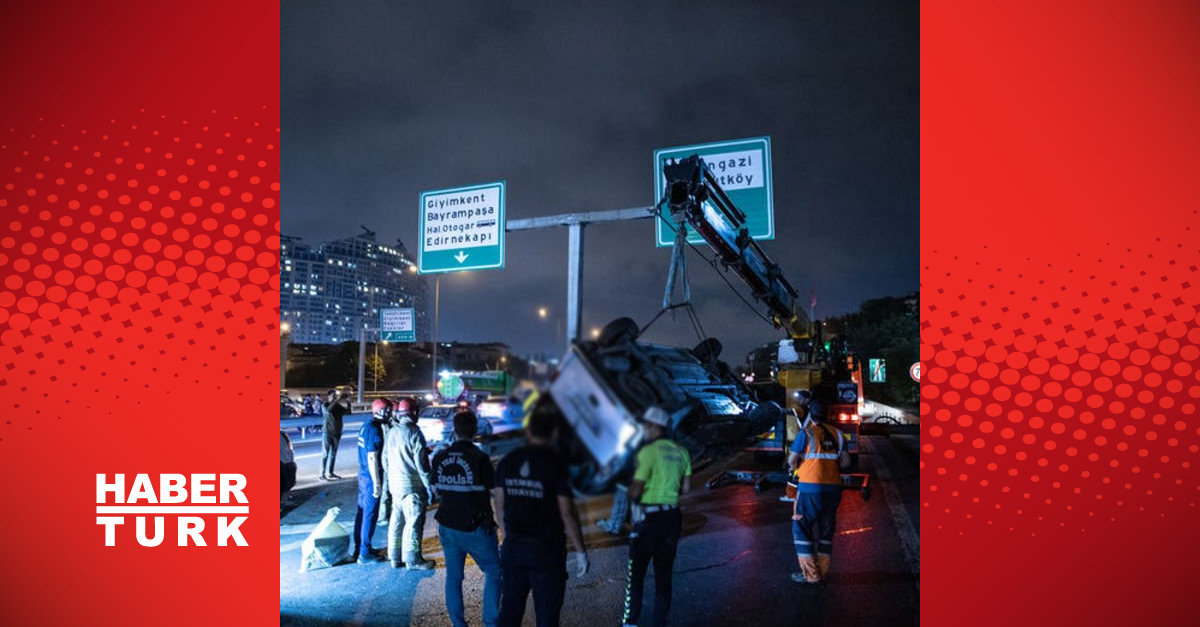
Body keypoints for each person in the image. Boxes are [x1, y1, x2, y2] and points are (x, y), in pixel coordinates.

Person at [495, 404, 589, 627]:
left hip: (515, 547)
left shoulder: (508, 461)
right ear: (553, 433)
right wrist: (581, 551)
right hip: (546, 550)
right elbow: (566, 512)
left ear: (528, 432)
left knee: (510, 610)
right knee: (547, 615)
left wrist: (509, 536)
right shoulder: (555, 463)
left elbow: (499, 506)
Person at [622, 407, 691, 627]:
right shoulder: (682, 452)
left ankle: (630, 622)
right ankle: (659, 622)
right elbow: (686, 489)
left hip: (648, 521)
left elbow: (636, 490)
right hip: (672, 519)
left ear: (654, 426)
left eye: (645, 425)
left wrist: (629, 489)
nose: (643, 429)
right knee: (664, 577)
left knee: (636, 575)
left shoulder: (648, 452)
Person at [432, 411, 502, 627]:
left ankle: (458, 624)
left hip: (448, 526)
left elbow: (436, 490)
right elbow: (495, 493)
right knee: (494, 572)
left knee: (454, 578)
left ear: (454, 431)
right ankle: (490, 622)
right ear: (475, 431)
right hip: (475, 527)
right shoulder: (480, 459)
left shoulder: (440, 457)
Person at [786, 398, 847, 584]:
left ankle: (811, 575)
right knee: (826, 530)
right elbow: (845, 462)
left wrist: (800, 465)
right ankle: (822, 570)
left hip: (809, 489)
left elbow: (791, 461)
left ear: (810, 416)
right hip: (834, 489)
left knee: (802, 528)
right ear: (828, 414)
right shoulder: (838, 434)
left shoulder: (806, 433)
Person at [385, 397, 435, 569]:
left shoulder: (392, 431)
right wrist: (430, 487)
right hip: (412, 488)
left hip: (395, 486)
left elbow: (385, 461)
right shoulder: (415, 432)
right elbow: (422, 466)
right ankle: (413, 560)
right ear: (414, 413)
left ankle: (394, 557)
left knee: (396, 522)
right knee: (414, 523)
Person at [353, 398, 391, 564]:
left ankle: (359, 547)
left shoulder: (366, 425)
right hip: (370, 477)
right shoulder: (374, 430)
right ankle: (365, 552)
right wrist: (377, 484)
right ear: (380, 411)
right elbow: (372, 457)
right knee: (370, 514)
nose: (390, 413)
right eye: (388, 410)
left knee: (362, 512)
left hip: (363, 475)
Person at [320, 389, 349, 481]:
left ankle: (330, 472)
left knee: (333, 454)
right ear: (328, 396)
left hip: (336, 433)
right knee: (325, 454)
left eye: (335, 396)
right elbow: (328, 411)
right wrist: (337, 401)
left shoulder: (337, 406)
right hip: (327, 433)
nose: (334, 397)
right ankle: (322, 474)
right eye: (333, 396)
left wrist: (348, 402)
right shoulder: (325, 405)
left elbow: (348, 412)